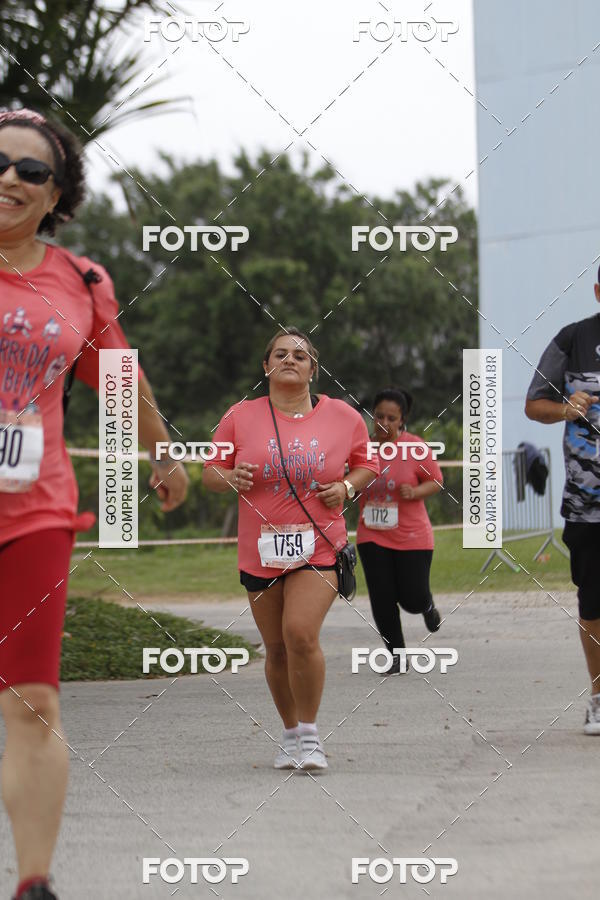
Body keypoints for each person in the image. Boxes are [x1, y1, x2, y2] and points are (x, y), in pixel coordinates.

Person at [0, 107, 189, 900]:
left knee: (34, 697)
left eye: (29, 170)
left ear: (57, 195)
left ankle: (33, 882)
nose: (8, 178)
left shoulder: (80, 280)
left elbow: (120, 381)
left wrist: (163, 450)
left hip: (33, 511)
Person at [203, 327, 379, 770]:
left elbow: (367, 465)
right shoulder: (239, 416)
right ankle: (290, 735)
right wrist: (230, 478)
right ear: (266, 366)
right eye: (279, 354)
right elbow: (210, 470)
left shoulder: (343, 416)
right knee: (276, 648)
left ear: (313, 370)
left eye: (299, 355)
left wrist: (345, 487)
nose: (289, 360)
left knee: (299, 633)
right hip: (261, 551)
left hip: (319, 545)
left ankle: (312, 735)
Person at [525, 269, 600, 735]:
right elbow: (535, 404)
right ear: (598, 291)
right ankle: (598, 697)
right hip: (587, 504)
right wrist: (566, 408)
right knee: (593, 603)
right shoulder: (571, 339)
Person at [357, 388, 443, 675]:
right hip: (372, 534)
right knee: (382, 597)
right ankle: (396, 656)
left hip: (412, 536)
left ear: (402, 420)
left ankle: (427, 605)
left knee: (412, 597)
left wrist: (416, 490)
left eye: (391, 418)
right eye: (378, 416)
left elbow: (436, 481)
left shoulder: (415, 447)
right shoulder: (361, 448)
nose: (383, 423)